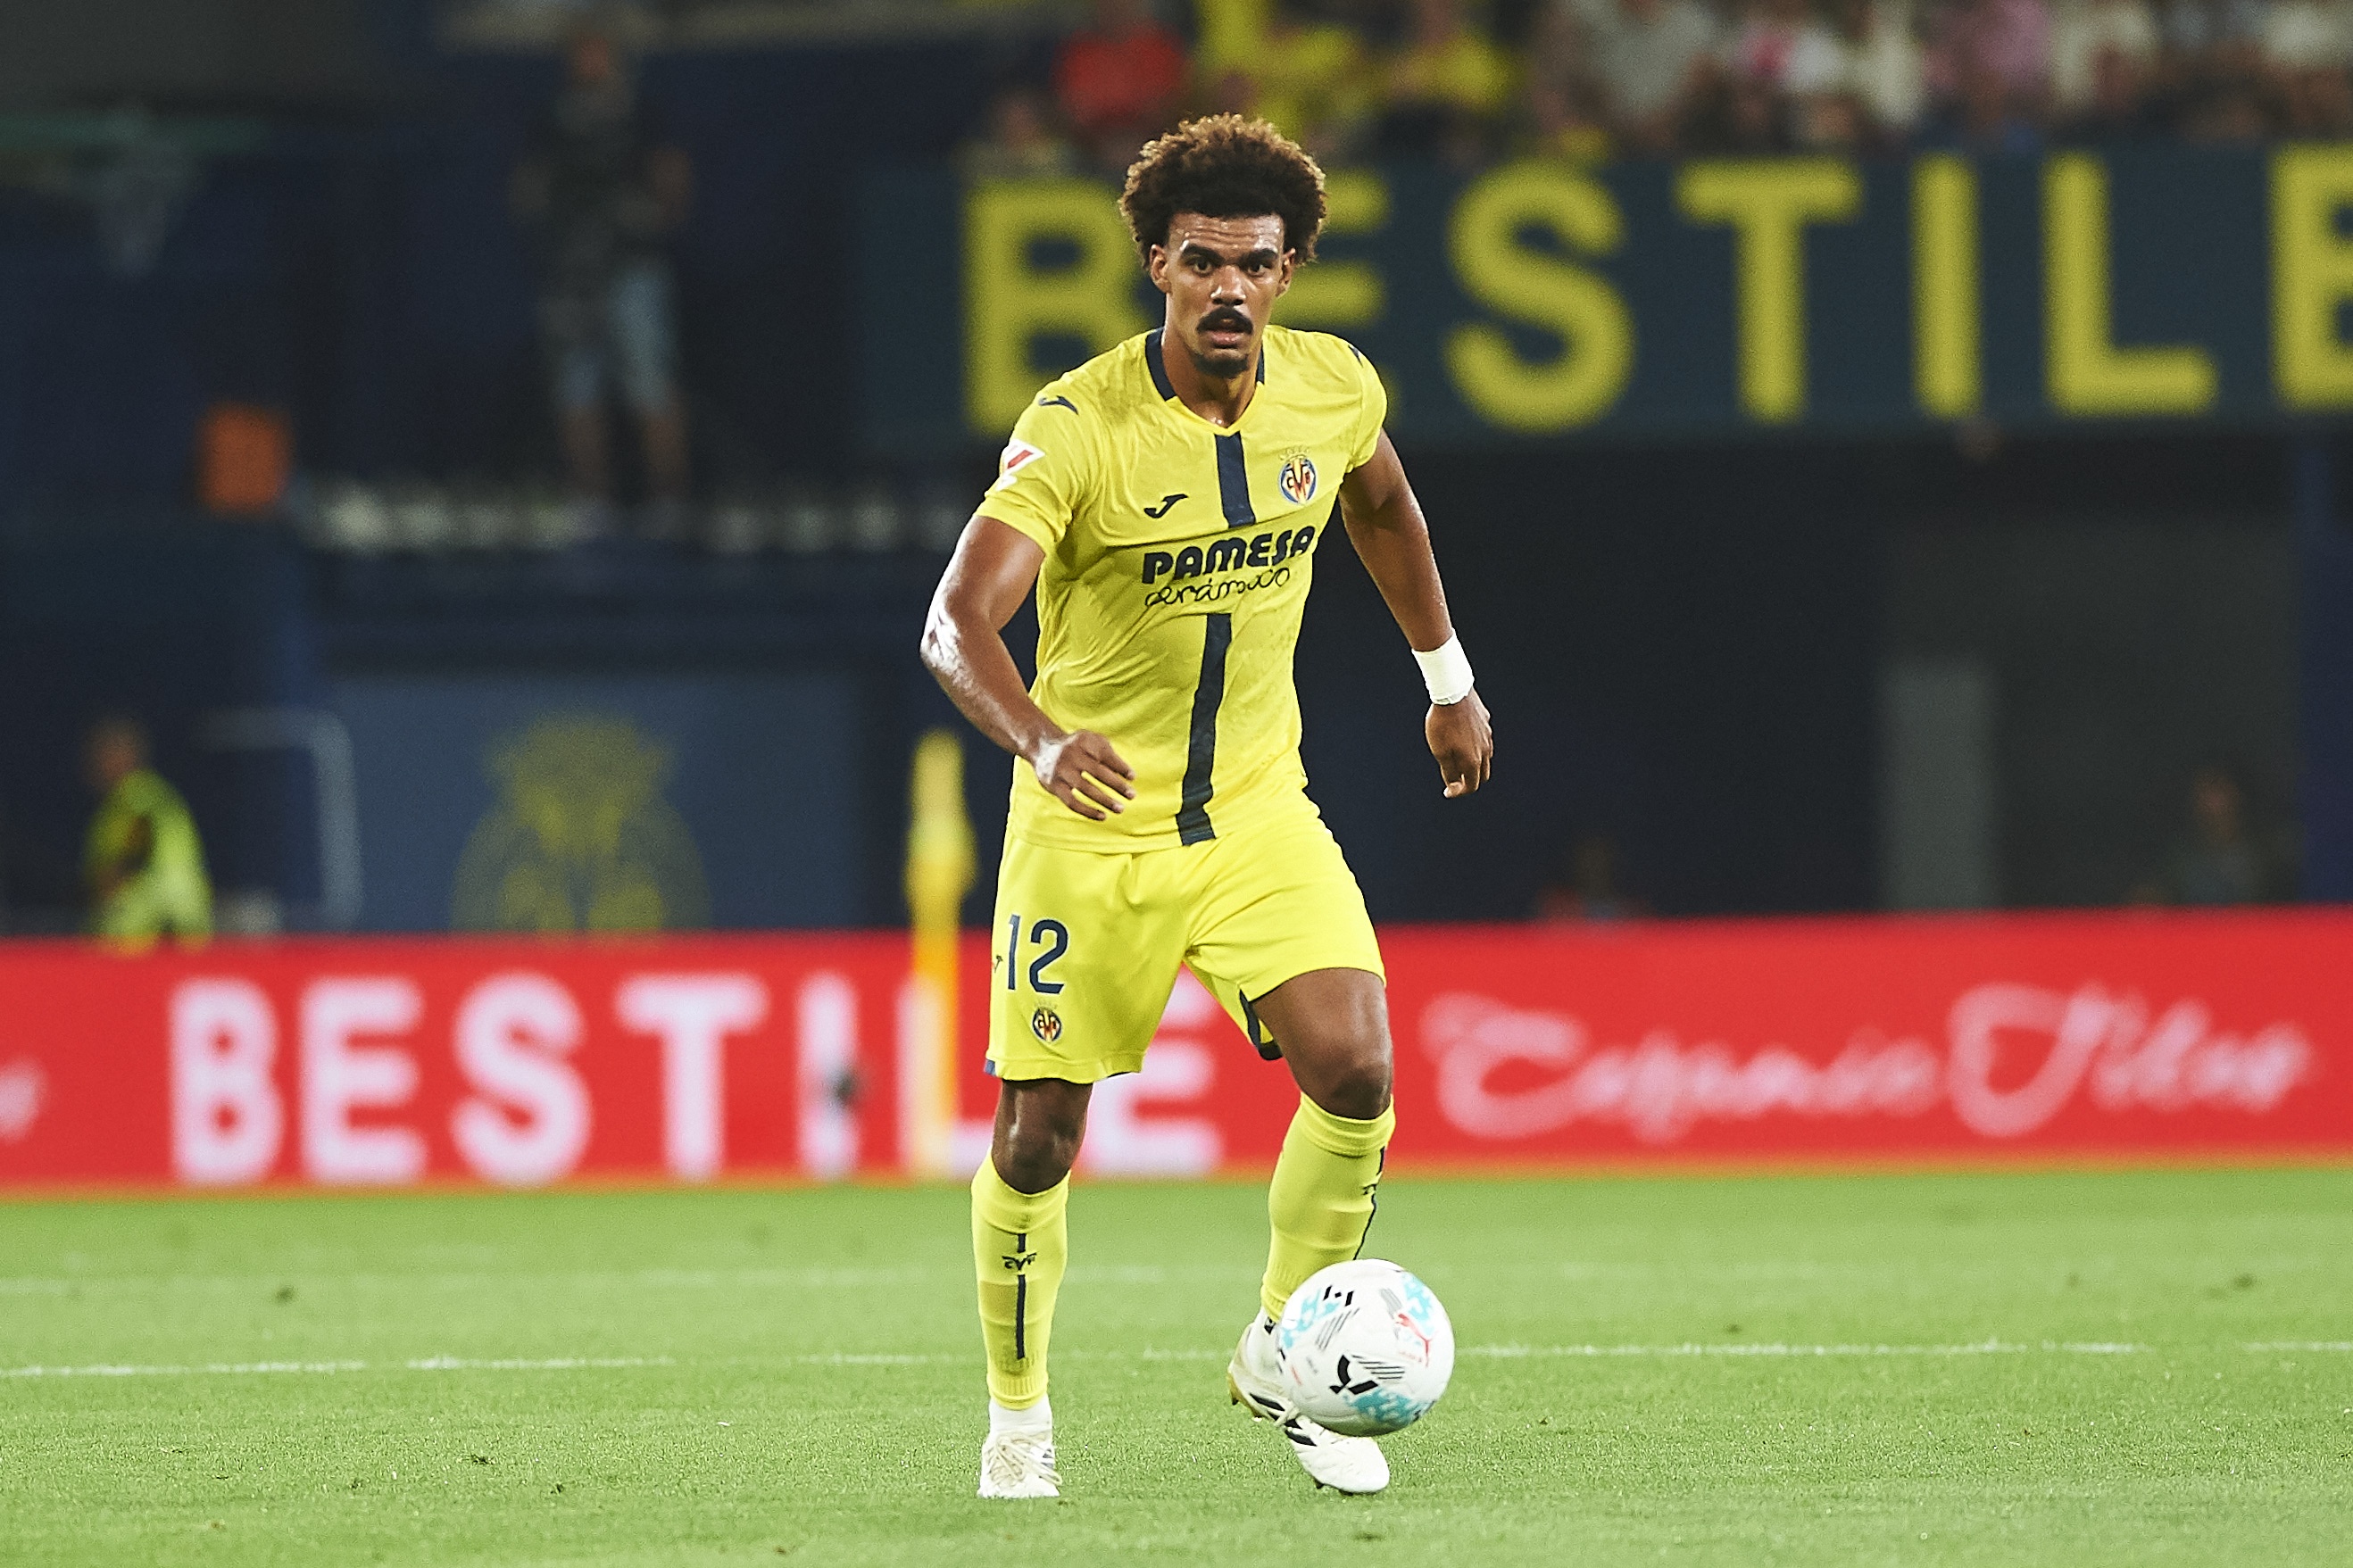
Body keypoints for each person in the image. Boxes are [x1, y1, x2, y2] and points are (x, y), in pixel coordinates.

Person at [919, 114, 1494, 1500]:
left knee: (1357, 1069)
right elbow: (954, 624)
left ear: (1289, 272)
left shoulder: (1333, 389)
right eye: (1201, 263)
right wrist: (1040, 738)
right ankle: (1017, 1419)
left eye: (1254, 263)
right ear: (1158, 268)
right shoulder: (1077, 430)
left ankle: (1287, 1355)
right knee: (1038, 1141)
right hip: (1089, 829)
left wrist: (1448, 681)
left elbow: (1384, 510)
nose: (1228, 288)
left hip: (1253, 811)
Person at [511, 21, 694, 532]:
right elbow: (526, 191)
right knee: (576, 387)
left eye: (599, 53)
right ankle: (589, 500)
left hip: (633, 269)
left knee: (651, 382)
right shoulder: (552, 119)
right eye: (581, 54)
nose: (590, 64)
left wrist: (650, 216)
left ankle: (669, 499)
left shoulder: (641, 114)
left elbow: (673, 179)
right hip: (572, 275)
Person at [82, 716, 212, 946]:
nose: (94, 764)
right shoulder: (152, 794)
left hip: (152, 930)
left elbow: (136, 850)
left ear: (124, 756)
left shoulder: (136, 797)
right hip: (176, 926)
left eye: (102, 755)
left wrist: (107, 881)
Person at [1053, 0, 1192, 170]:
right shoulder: (1080, 50)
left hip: (1151, 145)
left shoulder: (1160, 46)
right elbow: (1075, 112)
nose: (1115, 9)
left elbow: (1165, 108)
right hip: (1093, 152)